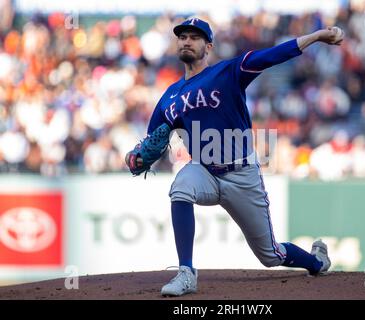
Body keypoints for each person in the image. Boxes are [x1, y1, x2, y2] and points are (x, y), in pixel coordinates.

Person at [127, 18, 344, 296]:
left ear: (208, 46)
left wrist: (315, 36)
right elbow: (149, 146)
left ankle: (316, 261)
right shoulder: (169, 97)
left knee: (271, 255)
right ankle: (186, 273)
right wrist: (134, 159)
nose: (187, 41)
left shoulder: (228, 72)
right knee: (180, 187)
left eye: (194, 37)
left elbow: (271, 56)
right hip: (204, 170)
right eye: (182, 37)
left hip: (242, 174)